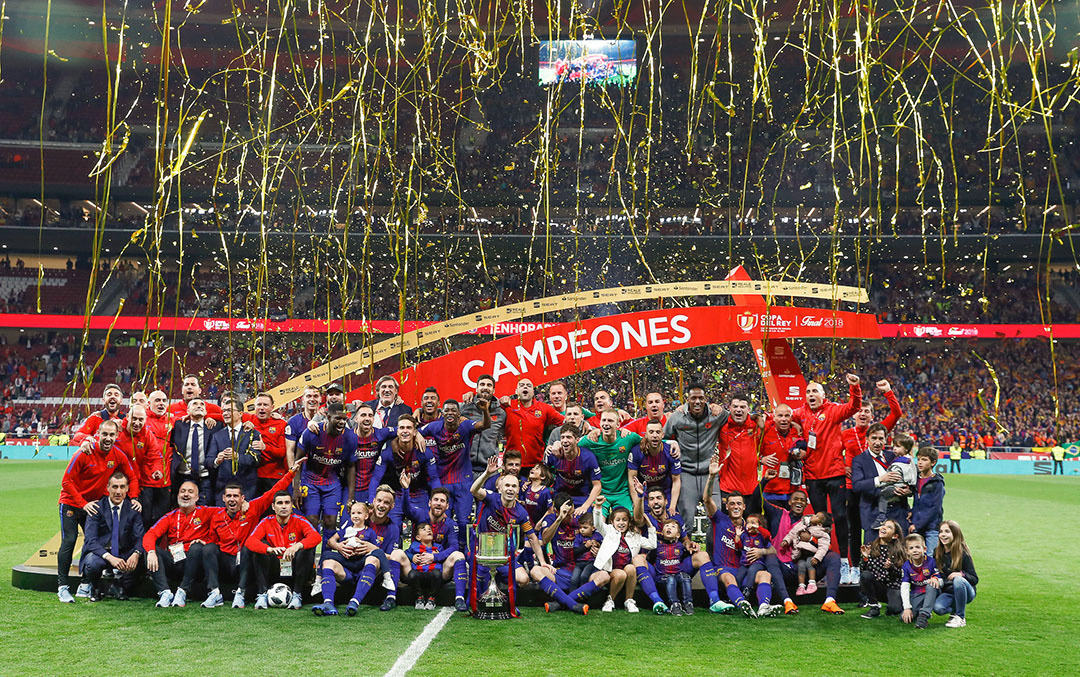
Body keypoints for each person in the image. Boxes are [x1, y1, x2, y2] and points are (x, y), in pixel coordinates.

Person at [57, 419, 141, 602]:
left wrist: (134, 497)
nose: (108, 438)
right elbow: (66, 482)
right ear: (98, 435)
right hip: (71, 503)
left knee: (92, 542)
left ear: (116, 436)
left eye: (111, 435)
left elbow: (132, 477)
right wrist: (82, 503)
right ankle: (62, 587)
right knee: (69, 540)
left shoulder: (118, 455)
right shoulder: (83, 453)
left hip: (93, 506)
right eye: (104, 434)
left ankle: (85, 583)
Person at [791, 373, 861, 582]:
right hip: (813, 476)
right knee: (819, 524)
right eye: (808, 392)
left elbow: (854, 407)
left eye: (815, 391)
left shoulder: (833, 411)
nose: (811, 394)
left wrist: (854, 387)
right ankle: (823, 562)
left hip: (835, 474)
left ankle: (844, 562)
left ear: (823, 395)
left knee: (840, 516)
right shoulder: (800, 413)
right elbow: (780, 416)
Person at [203, 460, 300, 609]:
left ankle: (240, 593)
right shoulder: (217, 516)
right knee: (209, 548)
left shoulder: (253, 508)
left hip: (246, 562)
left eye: (236, 496)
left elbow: (273, 491)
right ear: (223, 498)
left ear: (242, 498)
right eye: (229, 496)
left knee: (249, 546)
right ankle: (215, 593)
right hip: (226, 561)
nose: (232, 499)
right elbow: (212, 539)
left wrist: (291, 472)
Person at [469, 454, 549, 616]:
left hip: (503, 556)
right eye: (507, 485)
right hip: (483, 553)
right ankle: (487, 592)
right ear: (500, 488)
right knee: (480, 587)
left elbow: (532, 537)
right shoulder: (491, 499)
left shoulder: (521, 513)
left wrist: (542, 562)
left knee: (523, 580)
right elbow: (473, 490)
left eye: (514, 486)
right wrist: (487, 473)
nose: (510, 489)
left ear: (518, 490)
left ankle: (502, 591)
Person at [760, 469, 845, 614]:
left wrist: (811, 539)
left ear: (806, 504)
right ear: (789, 502)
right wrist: (765, 481)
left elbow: (826, 546)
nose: (799, 502)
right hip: (785, 569)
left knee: (833, 557)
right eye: (795, 499)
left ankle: (830, 601)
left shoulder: (814, 523)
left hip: (808, 569)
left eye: (802, 500)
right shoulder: (778, 514)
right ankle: (787, 601)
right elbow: (757, 499)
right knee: (771, 557)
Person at [842, 379, 902, 584]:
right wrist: (842, 466)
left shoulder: (878, 431)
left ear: (871, 416)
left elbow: (896, 414)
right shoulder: (845, 434)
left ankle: (880, 569)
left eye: (867, 411)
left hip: (876, 491)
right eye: (860, 411)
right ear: (854, 414)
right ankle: (855, 567)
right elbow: (833, 453)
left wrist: (888, 392)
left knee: (876, 529)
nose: (863, 414)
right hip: (852, 488)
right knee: (854, 531)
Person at [420, 397, 491, 545]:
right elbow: (416, 431)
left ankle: (463, 551)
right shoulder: (435, 427)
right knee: (442, 520)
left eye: (453, 410)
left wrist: (485, 410)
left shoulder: (465, 426)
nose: (450, 413)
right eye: (447, 410)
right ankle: (441, 550)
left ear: (459, 414)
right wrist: (419, 435)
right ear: (443, 413)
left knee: (463, 521)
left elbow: (485, 425)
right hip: (443, 481)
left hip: (464, 481)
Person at [663, 381, 728, 523]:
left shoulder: (717, 415)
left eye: (700, 398)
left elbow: (737, 418)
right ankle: (685, 539)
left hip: (709, 474)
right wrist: (672, 444)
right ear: (687, 400)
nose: (697, 401)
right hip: (686, 474)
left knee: (716, 515)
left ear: (706, 399)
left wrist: (758, 417)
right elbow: (663, 438)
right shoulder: (677, 417)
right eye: (693, 398)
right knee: (686, 517)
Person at [245, 491, 321, 610]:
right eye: (280, 503)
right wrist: (270, 549)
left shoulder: (300, 520)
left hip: (295, 568)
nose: (284, 506)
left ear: (291, 506)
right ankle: (262, 594)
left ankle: (297, 595)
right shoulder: (266, 521)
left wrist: (297, 546)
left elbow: (316, 537)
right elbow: (250, 541)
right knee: (261, 548)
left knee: (306, 549)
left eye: (287, 503)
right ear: (273, 506)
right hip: (275, 568)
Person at [142, 480, 212, 608]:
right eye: (182, 491)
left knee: (197, 548)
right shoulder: (170, 516)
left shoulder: (206, 512)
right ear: (178, 495)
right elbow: (150, 534)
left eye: (190, 492)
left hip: (194, 562)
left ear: (197, 497)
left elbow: (228, 511)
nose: (186, 494)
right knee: (150, 549)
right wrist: (151, 552)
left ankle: (182, 591)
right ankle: (165, 593)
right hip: (174, 559)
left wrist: (245, 504)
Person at [401, 478, 468, 611]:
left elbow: (454, 547)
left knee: (458, 555)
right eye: (436, 500)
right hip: (416, 567)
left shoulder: (450, 524)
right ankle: (390, 596)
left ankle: (459, 598)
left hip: (438, 570)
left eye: (442, 501)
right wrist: (405, 489)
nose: (438, 503)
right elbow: (407, 510)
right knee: (397, 554)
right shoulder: (420, 515)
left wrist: (434, 557)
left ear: (447, 506)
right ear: (429, 503)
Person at [314, 501, 392, 616]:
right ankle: (327, 601)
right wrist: (340, 546)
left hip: (362, 566)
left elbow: (377, 552)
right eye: (353, 513)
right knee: (327, 558)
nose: (355, 515)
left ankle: (355, 601)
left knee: (377, 554)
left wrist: (366, 548)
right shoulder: (346, 530)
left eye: (359, 513)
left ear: (366, 516)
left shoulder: (369, 532)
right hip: (346, 566)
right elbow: (330, 541)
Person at [532, 494, 603, 614]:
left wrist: (598, 549)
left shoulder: (580, 517)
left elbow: (598, 534)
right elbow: (545, 540)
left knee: (604, 576)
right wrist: (559, 519)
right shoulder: (551, 519)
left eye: (572, 512)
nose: (571, 517)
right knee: (535, 571)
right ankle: (573, 604)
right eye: (567, 514)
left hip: (583, 570)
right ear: (557, 511)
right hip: (560, 571)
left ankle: (561, 603)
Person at [701, 462, 757, 617]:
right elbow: (706, 499)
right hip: (723, 569)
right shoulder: (720, 519)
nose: (735, 506)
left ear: (744, 507)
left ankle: (766, 605)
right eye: (732, 504)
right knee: (729, 578)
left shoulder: (750, 527)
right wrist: (712, 476)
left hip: (743, 571)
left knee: (764, 575)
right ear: (727, 507)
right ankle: (742, 604)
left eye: (739, 503)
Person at [295, 403, 357, 539]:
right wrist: (296, 488)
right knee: (312, 520)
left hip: (332, 484)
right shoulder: (311, 433)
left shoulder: (350, 438)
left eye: (344, 419)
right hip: (310, 481)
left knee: (330, 521)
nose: (342, 422)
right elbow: (297, 460)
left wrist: (350, 497)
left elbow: (351, 467)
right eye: (338, 418)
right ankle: (309, 553)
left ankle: (327, 552)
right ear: (328, 417)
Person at [80, 472, 144, 601]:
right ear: (108, 488)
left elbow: (140, 537)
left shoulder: (133, 509)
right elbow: (90, 541)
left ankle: (120, 587)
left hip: (124, 552)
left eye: (122, 487)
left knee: (145, 557)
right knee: (92, 562)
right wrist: (110, 557)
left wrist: (136, 553)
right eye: (115, 487)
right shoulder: (96, 508)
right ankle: (95, 588)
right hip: (102, 553)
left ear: (127, 489)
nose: (118, 491)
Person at [369, 414, 440, 524]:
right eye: (402, 428)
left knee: (424, 526)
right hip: (397, 495)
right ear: (397, 432)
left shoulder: (424, 452)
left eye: (409, 428)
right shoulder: (388, 453)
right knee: (393, 526)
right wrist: (371, 502)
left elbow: (434, 479)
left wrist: (438, 499)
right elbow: (376, 479)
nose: (405, 431)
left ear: (415, 432)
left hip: (419, 495)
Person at [592, 493, 655, 613]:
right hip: (611, 571)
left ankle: (629, 600)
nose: (621, 523)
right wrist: (598, 507)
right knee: (621, 574)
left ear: (629, 522)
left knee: (631, 568)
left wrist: (649, 525)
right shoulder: (609, 531)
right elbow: (598, 524)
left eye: (624, 520)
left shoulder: (634, 536)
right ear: (612, 521)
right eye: (618, 520)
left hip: (626, 570)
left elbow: (652, 545)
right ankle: (610, 600)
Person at [852, 423, 911, 542]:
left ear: (885, 439)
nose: (877, 442)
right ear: (867, 439)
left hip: (898, 511)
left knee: (900, 548)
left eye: (881, 438)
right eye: (874, 438)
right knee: (873, 549)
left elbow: (909, 477)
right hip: (873, 512)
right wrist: (880, 479)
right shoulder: (859, 460)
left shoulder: (893, 456)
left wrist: (909, 491)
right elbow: (857, 485)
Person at [113, 404, 168, 530]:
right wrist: (86, 441)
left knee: (142, 518)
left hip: (137, 483)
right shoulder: (117, 430)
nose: (137, 423)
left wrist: (157, 470)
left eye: (140, 419)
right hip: (116, 483)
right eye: (134, 418)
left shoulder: (147, 435)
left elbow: (155, 456)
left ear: (145, 420)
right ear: (128, 417)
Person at [579, 410, 640, 511]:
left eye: (610, 421)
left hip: (622, 493)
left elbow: (647, 442)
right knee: (598, 520)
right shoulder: (592, 440)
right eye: (604, 420)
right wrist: (557, 444)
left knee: (625, 519)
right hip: (601, 493)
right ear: (600, 423)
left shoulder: (628, 438)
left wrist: (668, 442)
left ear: (618, 424)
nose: (606, 423)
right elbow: (573, 447)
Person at [500, 377, 564, 472]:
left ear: (533, 392)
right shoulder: (507, 406)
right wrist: (500, 400)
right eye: (522, 385)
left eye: (529, 385)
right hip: (512, 463)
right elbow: (488, 406)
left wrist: (584, 423)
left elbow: (565, 422)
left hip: (536, 464)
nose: (525, 387)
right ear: (516, 391)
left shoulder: (545, 409)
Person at [206, 399, 261, 505]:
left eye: (229, 410)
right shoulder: (217, 435)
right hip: (223, 489)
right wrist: (217, 461)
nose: (225, 414)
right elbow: (208, 461)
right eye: (224, 411)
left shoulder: (253, 434)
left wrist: (237, 457)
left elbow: (256, 459)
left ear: (240, 413)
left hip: (248, 488)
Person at [715, 393, 762, 512]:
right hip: (727, 488)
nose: (739, 410)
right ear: (729, 408)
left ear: (748, 409)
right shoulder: (722, 426)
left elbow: (777, 419)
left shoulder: (756, 425)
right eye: (735, 406)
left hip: (751, 489)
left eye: (742, 407)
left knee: (751, 522)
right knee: (727, 522)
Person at [627, 420, 681, 516]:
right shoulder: (636, 452)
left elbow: (676, 480)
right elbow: (632, 480)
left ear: (663, 435)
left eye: (658, 432)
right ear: (646, 435)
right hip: (644, 493)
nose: (655, 435)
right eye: (651, 432)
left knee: (673, 520)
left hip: (665, 493)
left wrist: (672, 506)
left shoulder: (671, 452)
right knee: (640, 520)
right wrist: (637, 503)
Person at [543, 423, 602, 512]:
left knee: (585, 516)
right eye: (562, 437)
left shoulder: (588, 457)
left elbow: (597, 485)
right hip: (559, 496)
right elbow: (541, 472)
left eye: (569, 437)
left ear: (577, 440)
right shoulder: (553, 453)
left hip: (581, 497)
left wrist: (585, 506)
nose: (565, 441)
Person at [932, 520, 978, 628]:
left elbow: (974, 579)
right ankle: (955, 609)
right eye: (941, 531)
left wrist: (961, 574)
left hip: (966, 590)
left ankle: (960, 617)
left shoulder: (963, 553)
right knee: (938, 609)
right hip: (949, 591)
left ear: (955, 534)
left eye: (947, 531)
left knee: (958, 580)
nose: (943, 534)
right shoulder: (937, 552)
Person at [347, 402, 395, 505]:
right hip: (350, 488)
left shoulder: (380, 434)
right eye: (363, 415)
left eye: (370, 415)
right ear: (355, 419)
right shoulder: (347, 436)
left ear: (373, 419)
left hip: (371, 488)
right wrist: (312, 424)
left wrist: (417, 434)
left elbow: (403, 430)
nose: (367, 418)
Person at [169, 397, 214, 503]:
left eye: (202, 404)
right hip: (182, 476)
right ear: (188, 411)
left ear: (206, 412)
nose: (199, 406)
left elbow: (231, 416)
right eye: (195, 404)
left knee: (203, 509)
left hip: (205, 477)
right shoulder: (178, 425)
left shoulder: (214, 426)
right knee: (183, 508)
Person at [757, 404, 803, 507]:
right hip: (771, 489)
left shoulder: (796, 431)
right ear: (774, 417)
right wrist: (761, 459)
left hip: (793, 489)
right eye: (780, 415)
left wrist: (801, 454)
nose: (784, 419)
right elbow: (752, 453)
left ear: (791, 418)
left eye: (787, 416)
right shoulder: (766, 431)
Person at [858, 519, 906, 618]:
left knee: (895, 609)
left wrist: (891, 567)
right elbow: (863, 572)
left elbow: (900, 575)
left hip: (892, 587)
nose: (883, 527)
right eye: (883, 525)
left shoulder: (898, 550)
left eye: (889, 527)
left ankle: (893, 604)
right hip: (877, 585)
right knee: (865, 575)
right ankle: (874, 607)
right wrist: (865, 559)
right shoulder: (871, 547)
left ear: (895, 536)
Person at [460, 373, 506, 476]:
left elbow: (504, 437)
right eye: (482, 384)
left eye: (489, 385)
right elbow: (443, 413)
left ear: (494, 390)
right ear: (476, 389)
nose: (485, 387)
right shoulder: (464, 407)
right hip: (464, 467)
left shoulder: (501, 413)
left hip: (489, 469)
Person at [781, 511, 832, 595]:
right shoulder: (803, 524)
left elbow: (823, 547)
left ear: (819, 524)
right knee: (801, 566)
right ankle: (801, 586)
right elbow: (792, 533)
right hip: (801, 553)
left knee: (809, 563)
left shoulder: (823, 533)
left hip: (812, 554)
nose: (813, 515)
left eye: (817, 516)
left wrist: (817, 557)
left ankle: (812, 584)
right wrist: (786, 540)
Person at [873, 434, 917, 530]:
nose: (894, 449)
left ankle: (881, 517)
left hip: (896, 486)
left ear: (906, 449)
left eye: (898, 446)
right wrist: (911, 486)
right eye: (894, 446)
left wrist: (881, 482)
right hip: (904, 486)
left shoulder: (898, 463)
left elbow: (892, 477)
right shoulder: (910, 461)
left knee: (883, 496)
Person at [249, 392, 289, 495]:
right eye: (259, 404)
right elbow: (224, 415)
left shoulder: (281, 424)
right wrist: (209, 417)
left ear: (272, 407)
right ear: (255, 407)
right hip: (253, 476)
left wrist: (265, 447)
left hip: (274, 476)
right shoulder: (249, 420)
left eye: (265, 405)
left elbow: (282, 452)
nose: (262, 408)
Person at [900, 533, 941, 629]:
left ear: (924, 549)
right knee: (905, 617)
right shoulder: (906, 566)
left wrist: (936, 579)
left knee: (931, 584)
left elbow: (940, 579)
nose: (915, 550)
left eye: (918, 547)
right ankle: (921, 611)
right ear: (907, 551)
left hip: (931, 592)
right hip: (917, 594)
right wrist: (907, 608)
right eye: (911, 548)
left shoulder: (931, 562)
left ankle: (923, 616)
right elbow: (904, 586)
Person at [653, 517, 693, 615]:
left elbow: (687, 556)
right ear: (662, 532)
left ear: (678, 535)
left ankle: (688, 603)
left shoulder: (680, 546)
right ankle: (674, 604)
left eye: (673, 527)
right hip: (662, 577)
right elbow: (650, 559)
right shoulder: (657, 546)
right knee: (670, 579)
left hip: (677, 574)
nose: (669, 528)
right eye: (666, 526)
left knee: (685, 577)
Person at [910, 447, 945, 551]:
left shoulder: (937, 482)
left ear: (933, 463)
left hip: (931, 526)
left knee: (931, 555)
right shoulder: (915, 479)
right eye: (918, 459)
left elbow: (935, 507)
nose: (920, 462)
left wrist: (918, 525)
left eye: (924, 460)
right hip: (916, 524)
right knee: (914, 554)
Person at [405, 523, 444, 609]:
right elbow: (405, 553)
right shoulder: (414, 546)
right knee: (412, 574)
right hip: (419, 573)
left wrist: (437, 556)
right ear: (418, 537)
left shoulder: (438, 547)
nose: (428, 530)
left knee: (437, 574)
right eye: (424, 529)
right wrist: (412, 557)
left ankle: (432, 598)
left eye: (429, 529)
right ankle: (419, 597)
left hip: (433, 573)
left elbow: (444, 558)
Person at [284, 385, 322, 466]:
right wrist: (292, 471)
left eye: (315, 396)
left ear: (320, 399)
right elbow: (290, 451)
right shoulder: (294, 422)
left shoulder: (326, 420)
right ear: (303, 399)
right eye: (308, 396)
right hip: (302, 468)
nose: (312, 399)